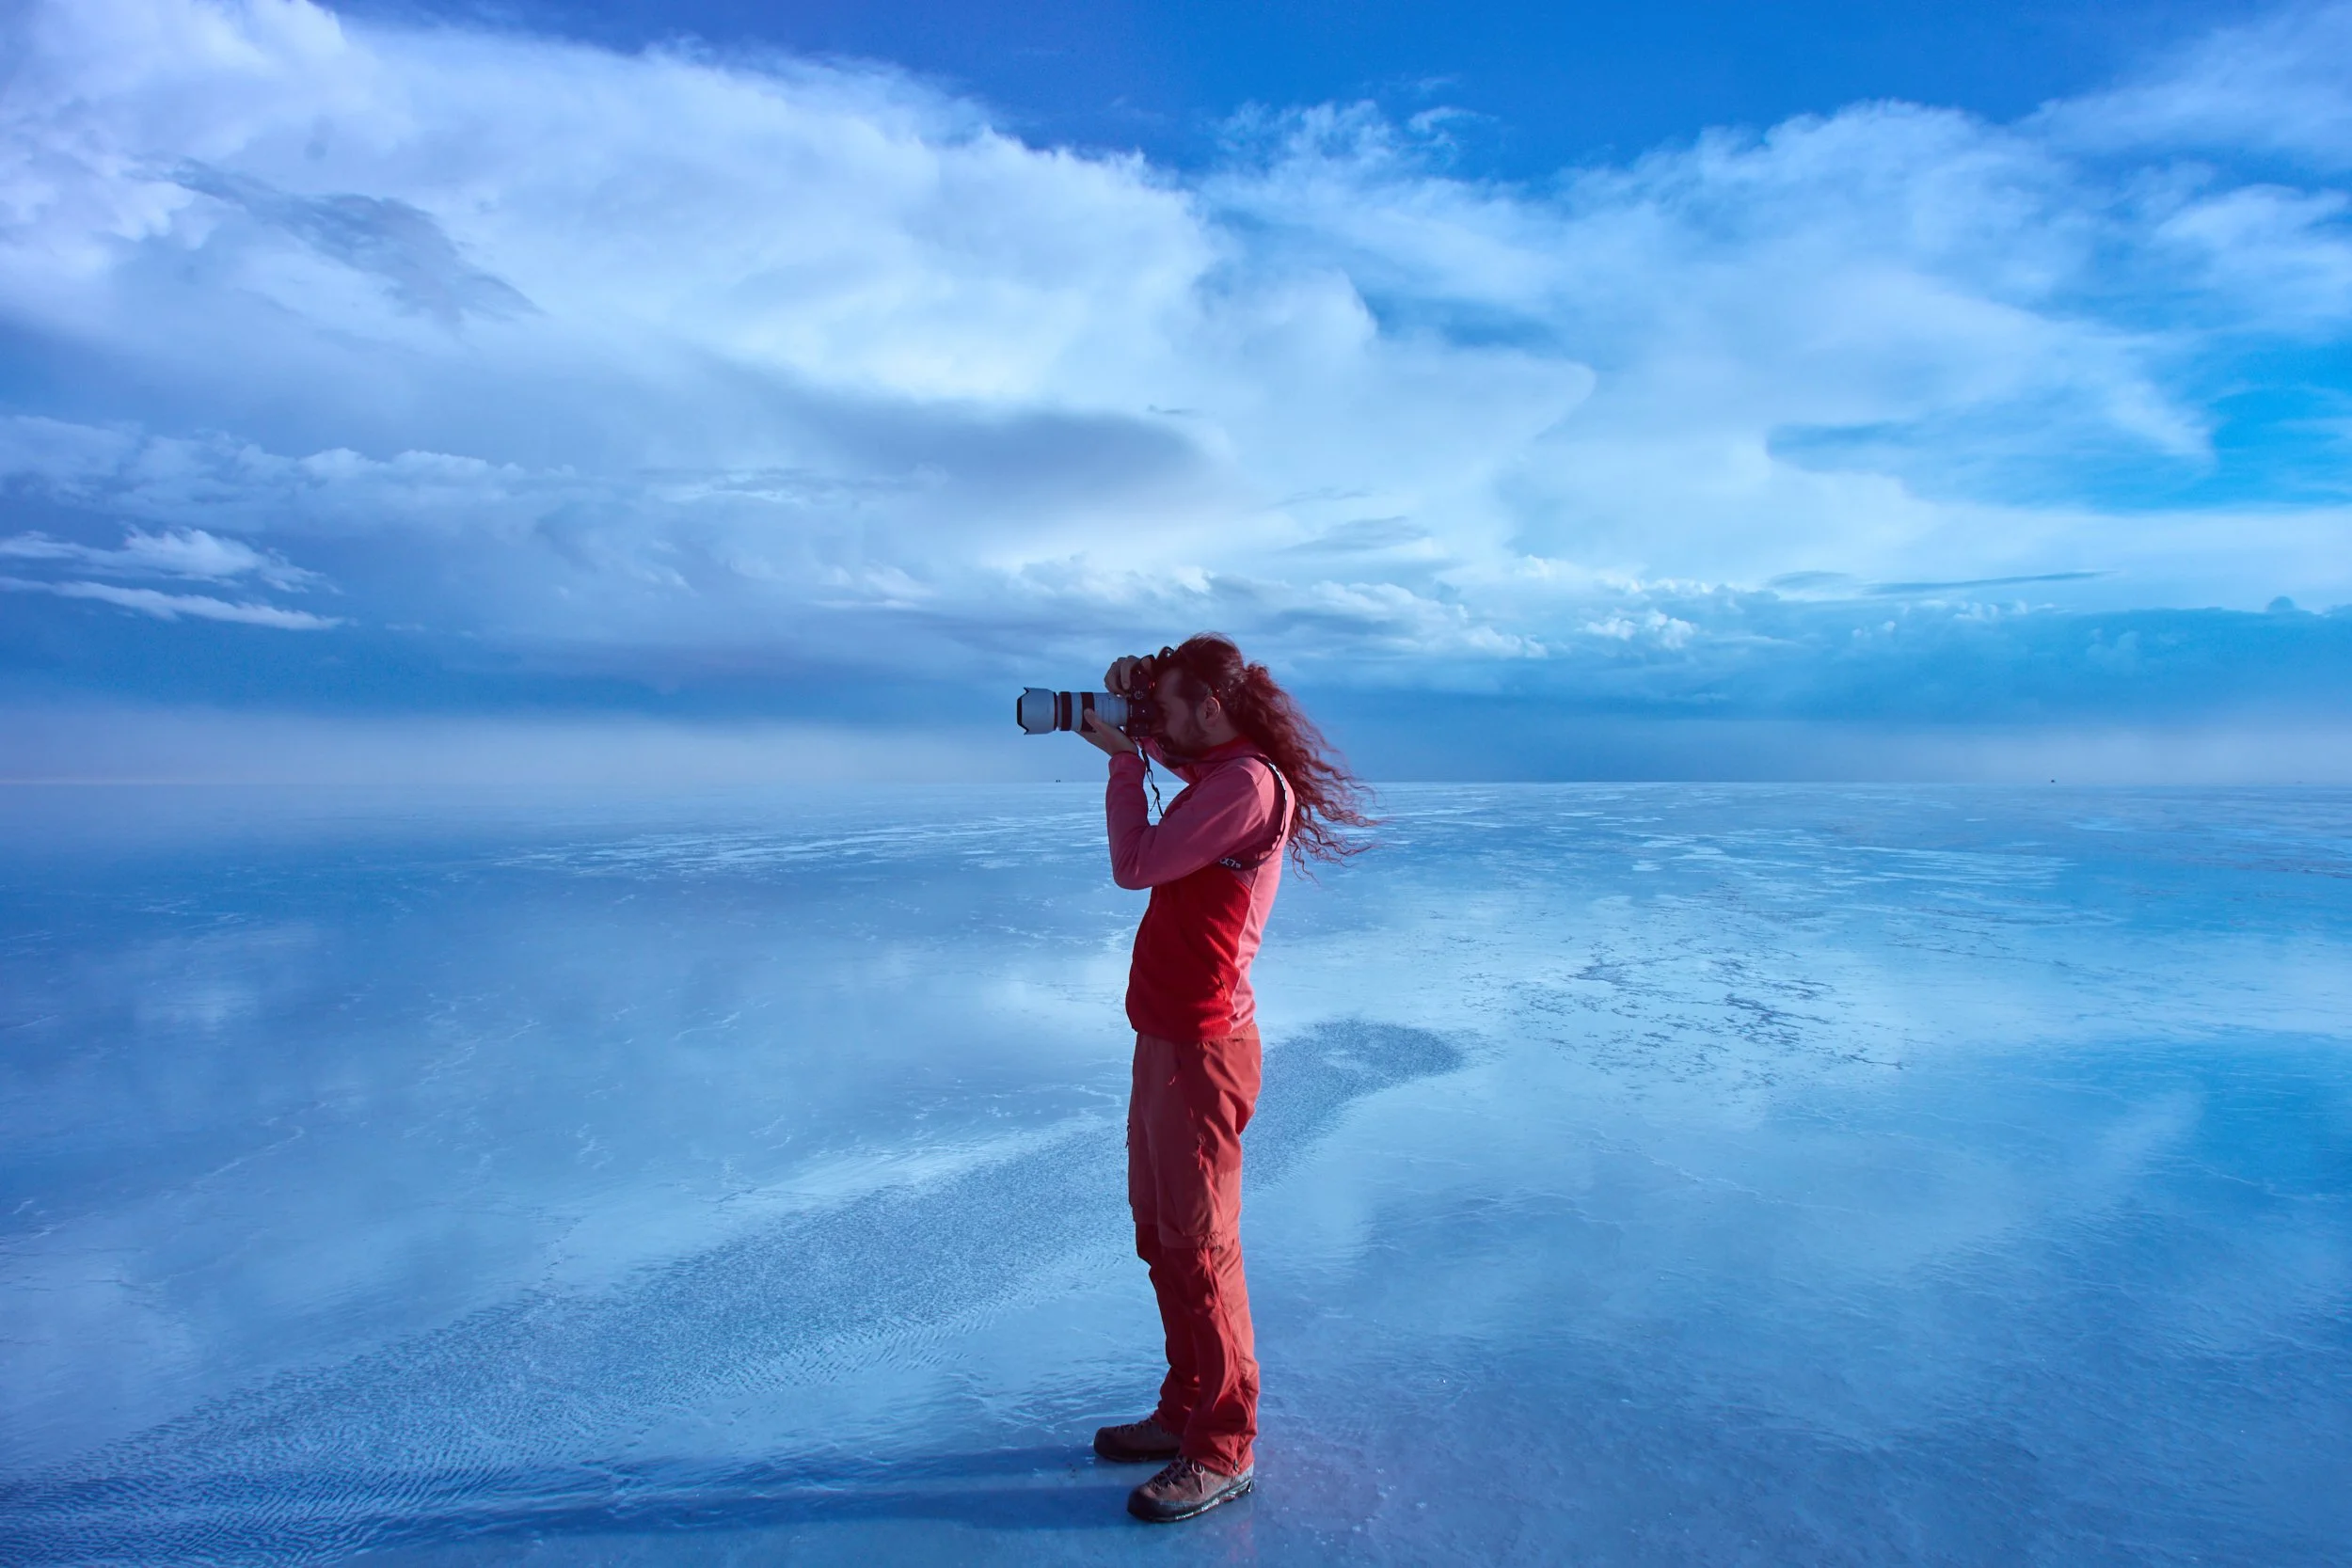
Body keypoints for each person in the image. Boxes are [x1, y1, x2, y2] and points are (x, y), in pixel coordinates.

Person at [1073, 633, 1372, 1524]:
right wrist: (1131, 711)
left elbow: (1138, 865)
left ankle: (1224, 1444)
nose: (1155, 721)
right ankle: (1185, 1407)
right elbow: (1168, 750)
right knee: (1163, 1234)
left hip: (1205, 1049)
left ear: (1211, 704)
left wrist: (1127, 764)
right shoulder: (1218, 765)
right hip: (1164, 1037)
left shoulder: (1244, 786)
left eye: (1168, 705)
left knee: (1203, 1247)